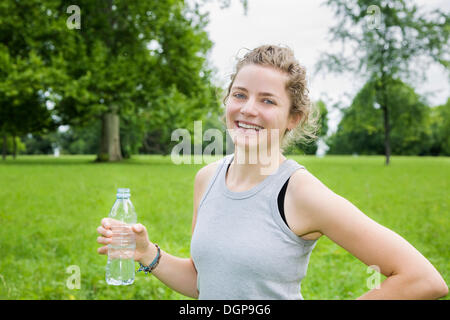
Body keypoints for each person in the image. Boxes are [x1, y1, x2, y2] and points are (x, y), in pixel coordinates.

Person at [96, 44, 448, 300]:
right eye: (239, 95)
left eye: (267, 100)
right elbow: (204, 282)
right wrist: (147, 253)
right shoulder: (207, 178)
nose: (248, 109)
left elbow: (421, 279)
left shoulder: (299, 192)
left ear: (293, 118)